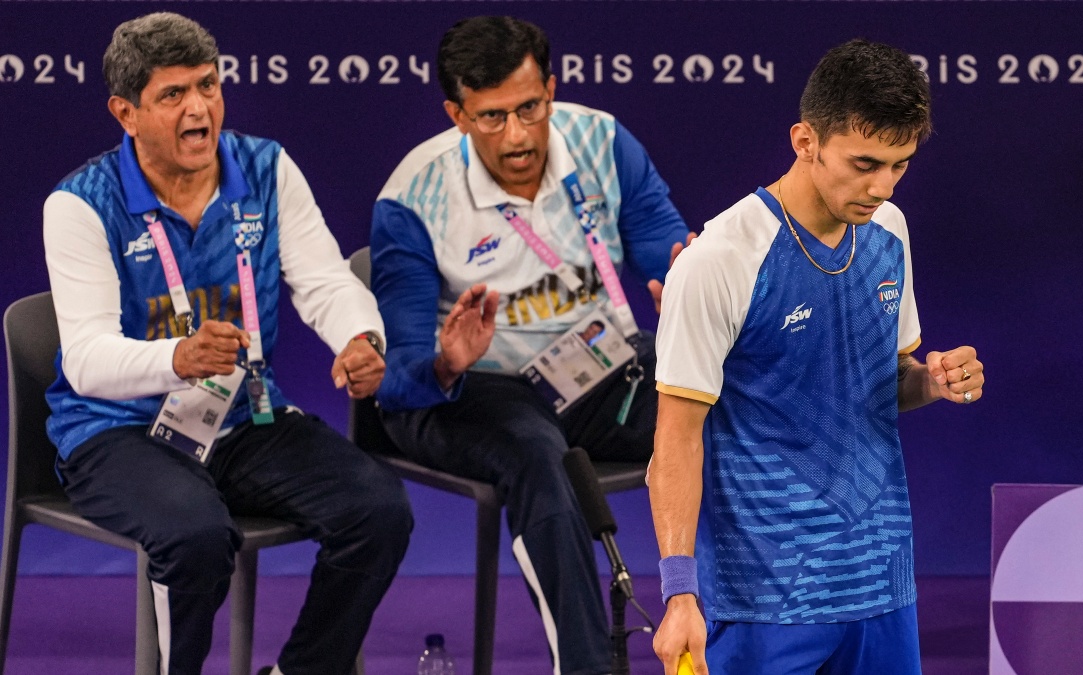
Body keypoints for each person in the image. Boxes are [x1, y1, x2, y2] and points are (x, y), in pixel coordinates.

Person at [40, 13, 464, 675]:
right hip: (117, 430)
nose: (199, 108)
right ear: (126, 112)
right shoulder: (79, 205)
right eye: (172, 95)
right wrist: (175, 357)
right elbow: (88, 359)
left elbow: (323, 278)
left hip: (241, 413)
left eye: (208, 85)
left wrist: (358, 335)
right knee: (196, 537)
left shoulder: (265, 169)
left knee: (377, 510)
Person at [648, 39, 986, 675]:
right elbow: (676, 439)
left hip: (882, 586)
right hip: (762, 600)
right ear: (805, 141)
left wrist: (932, 380)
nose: (881, 187)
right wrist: (679, 590)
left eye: (900, 165)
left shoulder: (890, 233)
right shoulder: (719, 261)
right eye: (864, 164)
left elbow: (888, 384)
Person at [370, 15, 691, 675]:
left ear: (551, 87)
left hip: (598, 372)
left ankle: (760, 636)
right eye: (491, 118)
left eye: (529, 108)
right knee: (539, 457)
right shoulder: (412, 197)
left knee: (729, 399)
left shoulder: (601, 141)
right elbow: (397, 383)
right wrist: (448, 359)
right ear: (456, 114)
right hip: (471, 391)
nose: (516, 136)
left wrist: (688, 288)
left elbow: (670, 253)